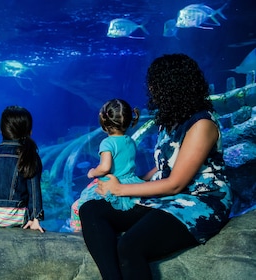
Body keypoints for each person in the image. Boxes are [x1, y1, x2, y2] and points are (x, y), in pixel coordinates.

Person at [79, 53, 232, 279]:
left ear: (171, 85)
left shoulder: (202, 124)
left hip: (199, 201)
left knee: (130, 246)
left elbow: (175, 184)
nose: (150, 89)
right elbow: (164, 168)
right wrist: (135, 181)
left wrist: (120, 189)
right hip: (166, 199)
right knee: (91, 209)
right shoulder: (171, 119)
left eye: (154, 84)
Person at [70, 99, 144, 232]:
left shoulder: (107, 143)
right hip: (130, 183)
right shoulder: (130, 141)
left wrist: (92, 172)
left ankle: (79, 236)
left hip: (111, 184)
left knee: (76, 207)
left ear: (104, 123)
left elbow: (105, 168)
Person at [0, 105, 44, 232]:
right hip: (15, 218)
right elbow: (34, 190)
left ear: (1, 131)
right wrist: (35, 218)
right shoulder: (30, 156)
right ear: (30, 132)